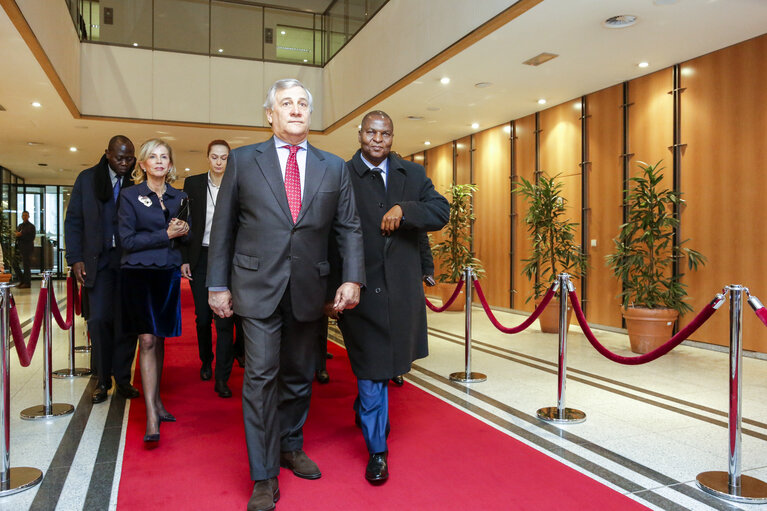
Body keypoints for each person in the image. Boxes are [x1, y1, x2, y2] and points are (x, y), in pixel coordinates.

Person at [206, 78, 364, 511]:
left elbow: (348, 226)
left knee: (298, 374)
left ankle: (290, 444)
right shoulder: (243, 161)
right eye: (285, 103)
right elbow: (224, 229)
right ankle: (263, 474)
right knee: (260, 377)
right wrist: (217, 285)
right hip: (256, 288)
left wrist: (352, 278)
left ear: (309, 115)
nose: (295, 110)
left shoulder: (334, 167)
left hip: (310, 288)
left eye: (301, 104)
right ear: (270, 115)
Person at [329, 110, 449, 483]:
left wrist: (405, 209)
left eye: (385, 133)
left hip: (399, 294)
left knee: (382, 369)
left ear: (392, 137)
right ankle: (377, 451)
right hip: (359, 291)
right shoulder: (341, 175)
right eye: (371, 132)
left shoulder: (411, 174)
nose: (377, 139)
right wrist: (331, 287)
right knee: (372, 370)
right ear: (360, 133)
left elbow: (440, 211)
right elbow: (327, 234)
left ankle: (366, 412)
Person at [118, 138, 189, 443]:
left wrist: (183, 234)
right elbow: (128, 241)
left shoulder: (180, 196)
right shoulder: (130, 196)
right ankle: (150, 416)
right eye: (153, 157)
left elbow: (185, 237)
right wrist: (166, 234)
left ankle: (157, 401)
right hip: (138, 273)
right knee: (146, 339)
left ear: (170, 164)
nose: (159, 161)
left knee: (159, 340)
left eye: (164, 157)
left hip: (168, 273)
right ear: (143, 164)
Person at [65, 136, 141, 403]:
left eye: (129, 158)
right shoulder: (87, 179)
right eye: (119, 158)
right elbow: (74, 221)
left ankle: (123, 380)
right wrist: (75, 258)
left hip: (128, 263)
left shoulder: (135, 182)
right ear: (107, 154)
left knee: (126, 324)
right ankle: (102, 379)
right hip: (98, 262)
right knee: (98, 321)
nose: (124, 163)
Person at [181, 140, 244, 397]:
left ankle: (222, 377)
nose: (219, 162)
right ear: (207, 158)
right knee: (203, 317)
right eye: (214, 157)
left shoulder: (238, 184)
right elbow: (185, 222)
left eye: (224, 158)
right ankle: (206, 360)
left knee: (226, 320)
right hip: (202, 255)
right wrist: (184, 258)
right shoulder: (193, 184)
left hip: (230, 258)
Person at [15, 211, 35, 288]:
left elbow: (31, 238)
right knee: (15, 264)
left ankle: (27, 283)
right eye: (23, 215)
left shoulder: (31, 226)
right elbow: (17, 235)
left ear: (28, 216)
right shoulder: (20, 226)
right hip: (19, 248)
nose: (24, 216)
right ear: (21, 216)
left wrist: (21, 235)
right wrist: (17, 235)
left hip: (27, 248)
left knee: (26, 266)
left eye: (26, 215)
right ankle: (22, 280)